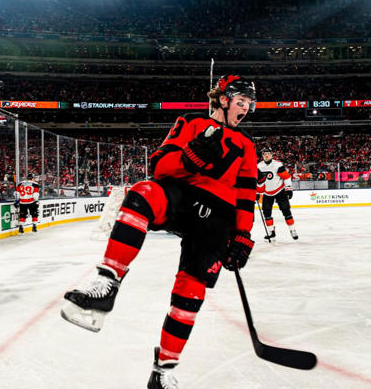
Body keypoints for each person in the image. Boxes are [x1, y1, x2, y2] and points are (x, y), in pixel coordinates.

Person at [61, 75, 258, 389]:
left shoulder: (248, 145)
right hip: (183, 196)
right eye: (241, 101)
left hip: (217, 219)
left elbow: (247, 195)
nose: (246, 108)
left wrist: (243, 235)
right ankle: (107, 283)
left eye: (249, 104)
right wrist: (190, 158)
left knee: (190, 296)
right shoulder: (190, 123)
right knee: (142, 193)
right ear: (223, 99)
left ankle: (163, 370)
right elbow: (161, 167)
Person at [257, 147, 298, 240]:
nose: (266, 155)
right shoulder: (258, 166)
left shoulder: (277, 165)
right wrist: (256, 192)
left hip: (280, 191)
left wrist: (289, 189)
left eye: (268, 153)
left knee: (286, 211)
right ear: (262, 156)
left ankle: (292, 230)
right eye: (264, 154)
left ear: (271, 155)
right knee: (266, 212)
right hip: (267, 193)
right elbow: (257, 181)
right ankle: (271, 231)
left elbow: (286, 177)